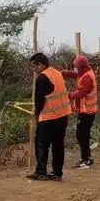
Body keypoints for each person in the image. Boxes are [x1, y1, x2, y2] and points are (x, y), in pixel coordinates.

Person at [29, 53, 72, 181]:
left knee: (41, 144)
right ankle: (57, 173)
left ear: (40, 65)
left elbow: (39, 101)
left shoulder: (42, 78)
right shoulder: (57, 73)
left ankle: (41, 172)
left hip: (48, 117)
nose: (33, 70)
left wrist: (36, 115)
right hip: (63, 115)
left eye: (34, 66)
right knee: (58, 146)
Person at [61, 54, 98, 168]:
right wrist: (61, 73)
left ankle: (85, 159)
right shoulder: (84, 73)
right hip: (86, 110)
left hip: (87, 111)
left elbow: (81, 93)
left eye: (76, 67)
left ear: (82, 67)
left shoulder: (87, 76)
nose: (75, 69)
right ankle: (87, 157)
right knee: (82, 135)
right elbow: (74, 74)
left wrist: (67, 95)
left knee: (82, 135)